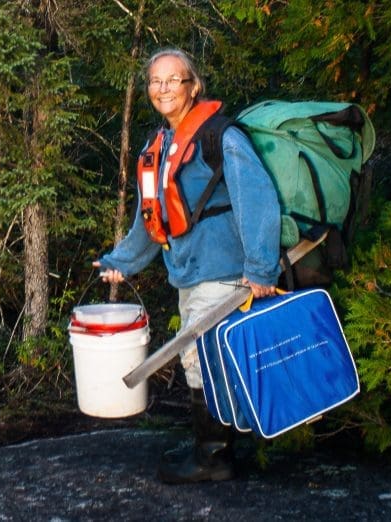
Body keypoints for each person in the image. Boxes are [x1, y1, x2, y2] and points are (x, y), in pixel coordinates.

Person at [93, 48, 281, 484]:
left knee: (201, 358)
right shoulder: (157, 147)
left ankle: (213, 458)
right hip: (188, 271)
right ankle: (211, 447)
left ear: (192, 86)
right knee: (206, 359)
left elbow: (258, 200)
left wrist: (261, 269)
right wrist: (121, 261)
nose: (162, 89)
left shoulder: (220, 137)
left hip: (226, 270)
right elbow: (149, 217)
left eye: (172, 80)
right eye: (155, 82)